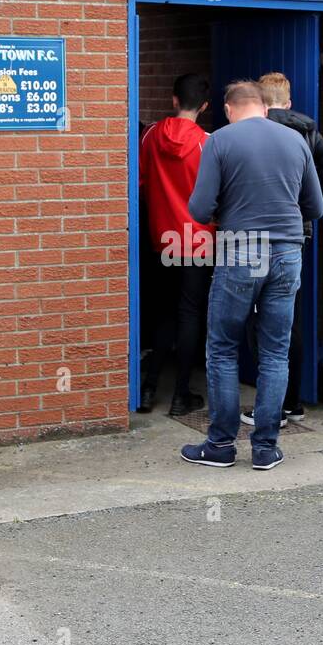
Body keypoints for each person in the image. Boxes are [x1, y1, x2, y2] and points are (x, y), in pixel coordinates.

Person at [181, 81, 323, 471]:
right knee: (275, 351)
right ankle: (265, 448)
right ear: (264, 106)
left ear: (229, 109)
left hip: (241, 250)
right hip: (287, 254)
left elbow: (198, 207)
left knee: (223, 348)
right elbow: (314, 206)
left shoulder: (220, 141)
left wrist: (223, 209)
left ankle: (221, 446)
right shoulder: (295, 140)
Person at [237, 71, 323, 428]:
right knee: (288, 319)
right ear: (287, 102)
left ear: (258, 101)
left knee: (258, 321)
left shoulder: (254, 131)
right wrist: (305, 191)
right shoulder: (305, 131)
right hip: (294, 237)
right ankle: (292, 402)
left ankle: (274, 406)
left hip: (259, 237)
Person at [137, 73, 214, 417]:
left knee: (163, 312)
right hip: (197, 242)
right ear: (206, 106)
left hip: (161, 239)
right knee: (190, 315)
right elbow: (215, 196)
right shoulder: (208, 143)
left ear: (172, 100)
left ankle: (148, 387)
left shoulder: (151, 135)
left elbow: (138, 181)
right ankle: (182, 394)